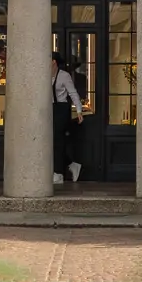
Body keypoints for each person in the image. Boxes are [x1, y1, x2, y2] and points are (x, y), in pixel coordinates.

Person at [51, 52, 83, 186]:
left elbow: (73, 93)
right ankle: (72, 164)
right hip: (49, 109)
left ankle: (58, 174)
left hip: (62, 109)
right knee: (51, 142)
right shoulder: (42, 75)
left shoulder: (64, 76)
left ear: (54, 62)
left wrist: (80, 111)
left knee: (58, 140)